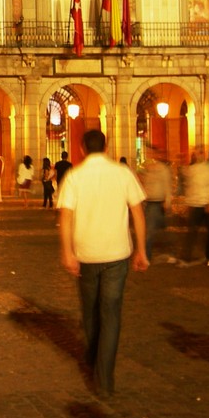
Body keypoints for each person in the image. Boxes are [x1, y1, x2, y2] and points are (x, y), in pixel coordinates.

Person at [57, 129, 149, 398]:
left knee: (90, 310)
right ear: (106, 146)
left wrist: (67, 252)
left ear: (82, 148)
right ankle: (105, 377)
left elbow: (66, 217)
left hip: (86, 255)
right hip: (117, 255)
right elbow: (138, 214)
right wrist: (141, 250)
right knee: (111, 314)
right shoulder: (122, 173)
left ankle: (92, 355)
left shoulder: (74, 176)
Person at [178, 148, 209, 266]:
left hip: (207, 204)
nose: (198, 155)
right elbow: (188, 186)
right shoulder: (191, 169)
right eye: (196, 153)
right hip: (195, 204)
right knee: (191, 232)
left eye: (200, 153)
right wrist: (188, 203)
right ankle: (186, 256)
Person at [138, 147, 173, 262]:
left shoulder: (162, 169)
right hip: (150, 202)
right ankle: (148, 254)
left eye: (152, 153)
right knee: (152, 228)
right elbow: (144, 183)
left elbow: (167, 185)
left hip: (157, 202)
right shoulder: (147, 168)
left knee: (152, 229)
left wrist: (167, 201)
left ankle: (148, 254)